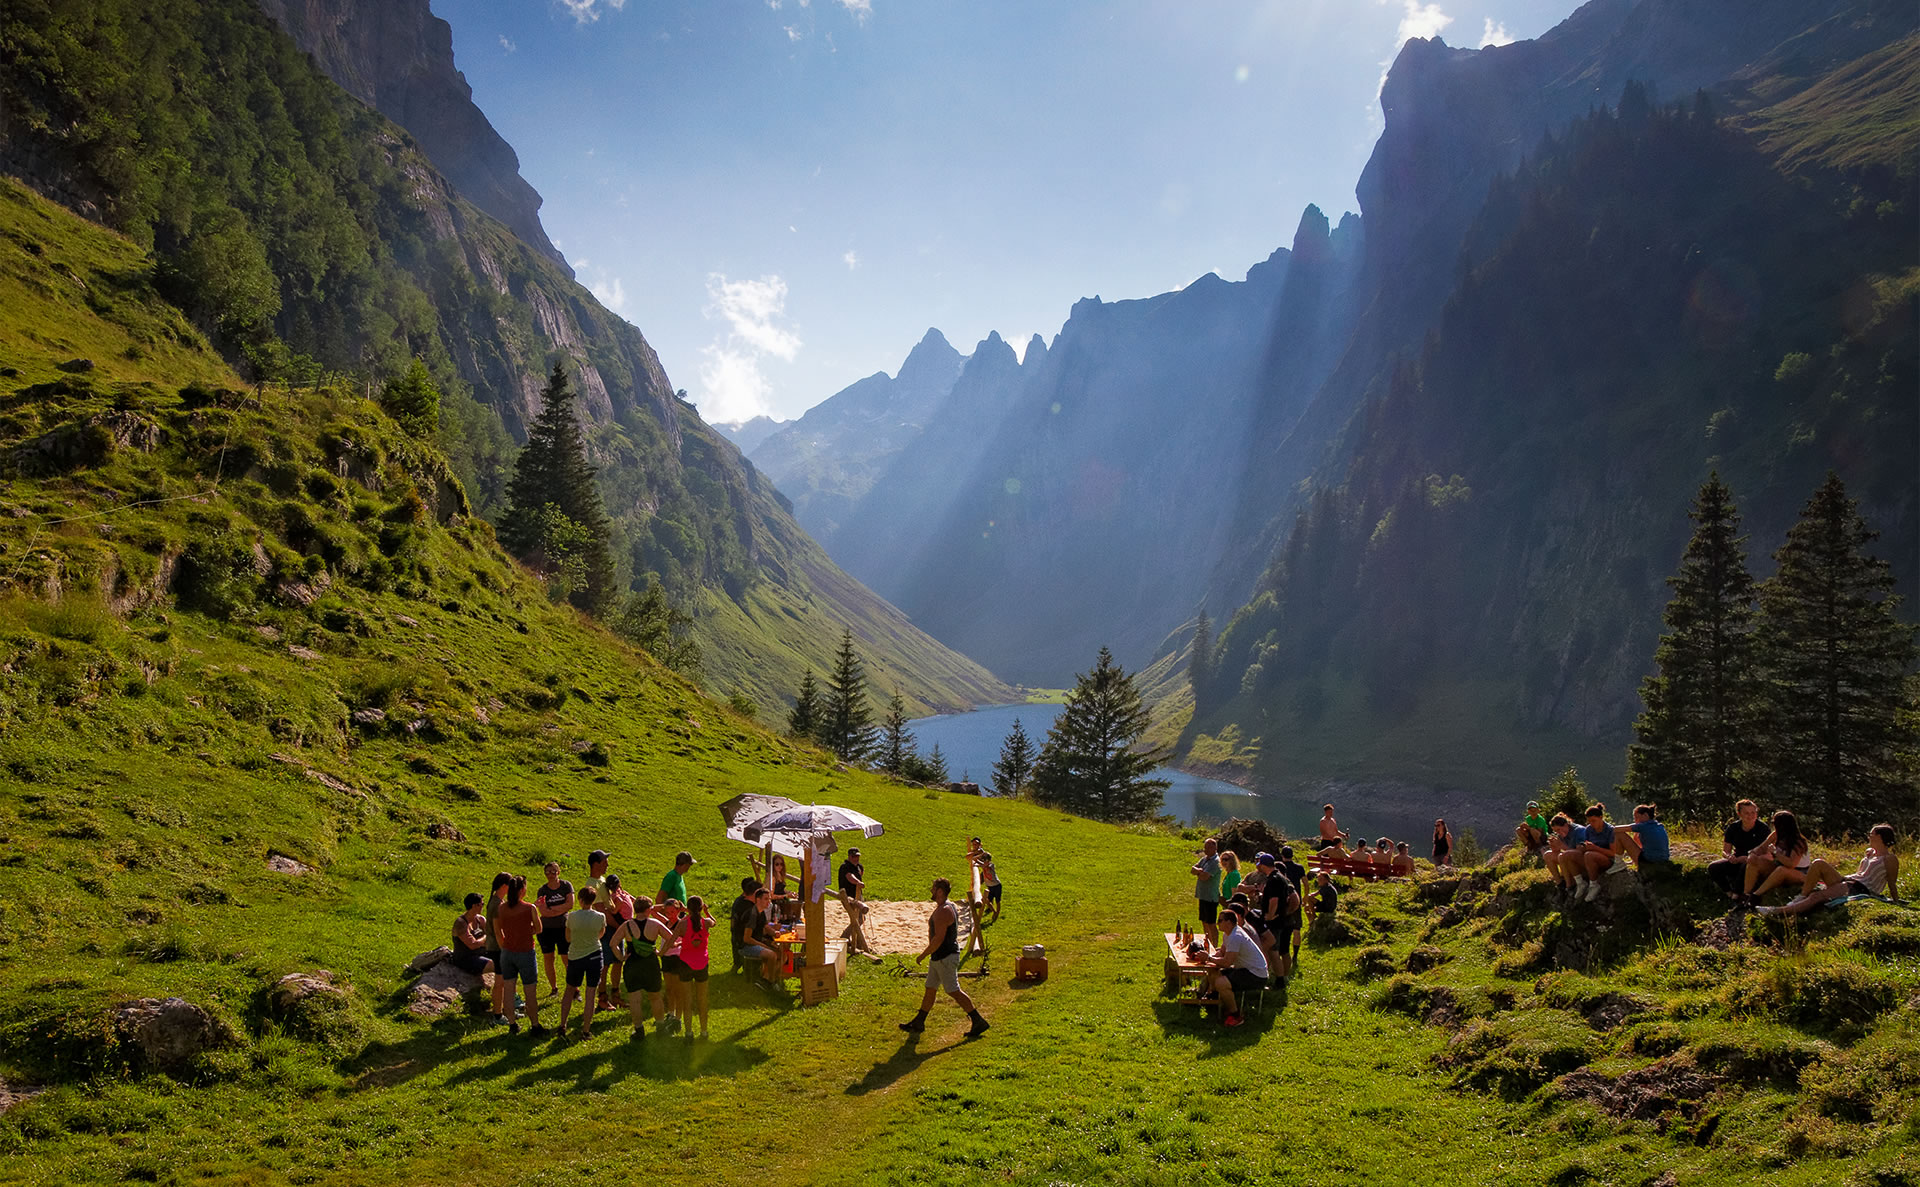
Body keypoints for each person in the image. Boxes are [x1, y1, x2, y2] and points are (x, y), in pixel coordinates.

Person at [900, 878, 989, 1037]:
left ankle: (978, 1020)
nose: (931, 891)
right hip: (939, 957)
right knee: (930, 989)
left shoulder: (943, 911)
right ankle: (919, 1022)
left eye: (933, 889)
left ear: (940, 891)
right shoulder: (948, 907)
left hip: (945, 957)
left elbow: (938, 939)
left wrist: (923, 955)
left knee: (954, 990)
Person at [1760, 825, 1902, 916]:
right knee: (1818, 863)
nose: (1869, 837)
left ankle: (1777, 911)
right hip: (1851, 880)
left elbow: (1891, 881)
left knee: (1817, 897)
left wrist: (1895, 901)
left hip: (1861, 888)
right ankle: (1802, 895)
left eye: (1872, 835)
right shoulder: (1871, 852)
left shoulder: (1889, 859)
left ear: (1881, 837)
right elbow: (1860, 872)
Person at [609, 895, 670, 1041]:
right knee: (655, 997)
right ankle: (661, 1028)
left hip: (633, 965)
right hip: (650, 963)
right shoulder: (655, 924)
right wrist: (660, 953)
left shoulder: (627, 925)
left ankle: (639, 1030)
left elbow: (613, 943)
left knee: (635, 1000)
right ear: (648, 910)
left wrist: (621, 957)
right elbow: (671, 938)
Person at [494, 875, 545, 1037]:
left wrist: (505, 945)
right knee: (530, 991)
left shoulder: (501, 908)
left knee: (508, 990)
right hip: (525, 953)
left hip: (507, 953)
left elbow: (498, 931)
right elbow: (538, 928)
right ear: (522, 890)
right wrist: (526, 930)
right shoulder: (529, 908)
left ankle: (512, 1024)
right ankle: (535, 1025)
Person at [1205, 905, 1270, 1027]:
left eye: (1220, 921)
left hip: (1256, 974)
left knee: (1221, 982)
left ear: (1229, 922)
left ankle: (1235, 1015)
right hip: (1245, 969)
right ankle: (1214, 1002)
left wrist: (1208, 958)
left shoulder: (1236, 937)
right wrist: (1209, 958)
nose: (1217, 923)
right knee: (1213, 972)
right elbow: (1222, 952)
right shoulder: (1228, 934)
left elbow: (1226, 962)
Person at [559, 886, 606, 1040]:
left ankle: (562, 1025)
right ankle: (586, 1031)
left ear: (580, 899)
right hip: (594, 956)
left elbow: (567, 938)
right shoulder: (600, 917)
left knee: (569, 990)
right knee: (590, 994)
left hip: (575, 957)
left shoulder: (571, 917)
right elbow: (601, 933)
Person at [1744, 810, 1812, 905]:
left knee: (1781, 870)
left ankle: (1756, 895)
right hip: (1778, 866)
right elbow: (1762, 847)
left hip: (1799, 872)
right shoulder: (1776, 834)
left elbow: (1791, 864)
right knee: (1754, 860)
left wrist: (1775, 853)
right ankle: (1746, 894)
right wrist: (1753, 853)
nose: (1773, 825)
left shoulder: (1798, 841)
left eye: (1774, 823)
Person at [1708, 799, 1770, 900]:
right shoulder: (1733, 828)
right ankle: (1728, 892)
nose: (1750, 816)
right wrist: (1729, 856)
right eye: (1746, 813)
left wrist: (1748, 858)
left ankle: (1737, 895)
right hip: (1737, 859)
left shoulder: (1763, 829)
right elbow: (1725, 850)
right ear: (1739, 814)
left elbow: (1768, 853)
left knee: (1746, 865)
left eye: (1753, 813)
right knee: (1713, 867)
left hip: (1754, 861)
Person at [675, 895, 715, 1041]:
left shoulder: (683, 924)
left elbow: (672, 939)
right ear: (701, 907)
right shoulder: (706, 922)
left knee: (687, 999)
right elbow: (715, 922)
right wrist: (707, 912)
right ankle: (704, 1031)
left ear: (688, 908)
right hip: (702, 963)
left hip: (685, 963)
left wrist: (661, 952)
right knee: (702, 999)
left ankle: (688, 1032)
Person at [731, 876, 780, 987]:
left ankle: (765, 978)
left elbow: (764, 925)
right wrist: (764, 945)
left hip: (753, 941)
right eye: (766, 899)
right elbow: (747, 938)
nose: (769, 902)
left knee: (782, 954)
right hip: (744, 945)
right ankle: (770, 982)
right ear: (757, 897)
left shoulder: (759, 909)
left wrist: (773, 932)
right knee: (772, 955)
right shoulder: (750, 913)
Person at [535, 861, 574, 994]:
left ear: (558, 872)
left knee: (566, 958)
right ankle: (554, 988)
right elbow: (543, 912)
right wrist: (559, 910)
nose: (550, 874)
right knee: (548, 958)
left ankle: (574, 989)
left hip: (563, 927)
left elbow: (570, 904)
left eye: (553, 871)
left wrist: (552, 908)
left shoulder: (566, 885)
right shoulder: (542, 890)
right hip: (546, 929)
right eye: (548, 872)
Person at [598, 872, 634, 1011]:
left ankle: (615, 993)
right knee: (607, 962)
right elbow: (614, 911)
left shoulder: (620, 894)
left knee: (618, 961)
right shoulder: (619, 896)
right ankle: (603, 996)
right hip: (617, 925)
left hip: (622, 925)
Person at [1572, 804, 1621, 902]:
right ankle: (1580, 883)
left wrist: (1595, 848)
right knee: (1568, 855)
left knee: (1589, 855)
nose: (1591, 823)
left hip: (1607, 859)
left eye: (1594, 821)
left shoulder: (1610, 830)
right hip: (1591, 855)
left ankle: (1594, 885)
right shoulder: (1589, 829)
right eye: (1589, 821)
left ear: (1601, 817)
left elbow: (1613, 853)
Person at [483, 871, 512, 1022]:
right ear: (504, 886)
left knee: (504, 981)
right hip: (497, 947)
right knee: (500, 983)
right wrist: (504, 947)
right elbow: (497, 930)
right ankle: (497, 1014)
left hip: (496, 946)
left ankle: (505, 1011)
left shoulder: (496, 901)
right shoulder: (496, 904)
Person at [449, 893, 494, 976]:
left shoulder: (480, 919)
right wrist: (484, 938)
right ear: (474, 906)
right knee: (496, 965)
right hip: (465, 958)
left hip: (480, 952)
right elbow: (472, 944)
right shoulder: (461, 924)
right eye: (482, 904)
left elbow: (491, 936)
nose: (483, 906)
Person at [838, 846, 873, 951]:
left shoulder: (859, 867)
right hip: (848, 897)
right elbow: (850, 877)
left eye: (857, 856)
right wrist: (858, 882)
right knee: (857, 919)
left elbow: (860, 873)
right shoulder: (845, 867)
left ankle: (856, 942)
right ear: (849, 856)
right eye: (853, 856)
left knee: (859, 918)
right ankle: (845, 937)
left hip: (858, 896)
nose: (856, 859)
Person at [1191, 838, 1223, 946]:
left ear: (1215, 848)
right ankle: (1207, 943)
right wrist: (1199, 871)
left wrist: (1198, 872)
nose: (1206, 850)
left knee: (1211, 923)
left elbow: (1205, 877)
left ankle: (1214, 945)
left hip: (1211, 897)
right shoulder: (1205, 859)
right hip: (1202, 895)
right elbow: (1192, 869)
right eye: (1205, 847)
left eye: (1208, 847)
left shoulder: (1216, 862)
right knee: (1204, 921)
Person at [1545, 813, 1588, 892]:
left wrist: (1562, 846)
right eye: (1555, 831)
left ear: (1565, 825)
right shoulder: (1562, 834)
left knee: (1563, 856)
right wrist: (1553, 845)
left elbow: (1579, 851)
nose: (1558, 832)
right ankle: (1560, 883)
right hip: (1568, 857)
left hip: (1582, 860)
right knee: (1547, 855)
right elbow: (1556, 851)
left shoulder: (1578, 831)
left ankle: (1570, 885)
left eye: (1558, 829)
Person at [974, 849, 1003, 924]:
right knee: (987, 900)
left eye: (986, 860)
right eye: (984, 860)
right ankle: (994, 911)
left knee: (997, 901)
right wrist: (980, 855)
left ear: (989, 860)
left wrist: (978, 862)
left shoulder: (991, 865)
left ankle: (997, 914)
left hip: (996, 886)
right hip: (990, 886)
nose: (985, 862)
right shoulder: (984, 864)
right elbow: (974, 859)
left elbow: (983, 865)